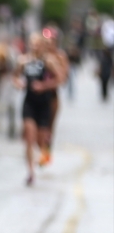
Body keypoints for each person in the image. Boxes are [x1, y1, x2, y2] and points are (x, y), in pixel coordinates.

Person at [13, 33, 61, 186]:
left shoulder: (48, 61)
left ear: (42, 45)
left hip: (44, 103)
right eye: (32, 44)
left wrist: (44, 86)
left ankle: (45, 151)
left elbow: (59, 78)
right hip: (29, 103)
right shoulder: (23, 61)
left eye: (37, 44)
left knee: (40, 139)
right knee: (29, 136)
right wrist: (18, 84)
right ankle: (30, 172)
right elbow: (15, 77)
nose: (34, 47)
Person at [42, 26, 69, 165]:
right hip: (37, 97)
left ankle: (46, 153)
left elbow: (63, 78)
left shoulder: (60, 56)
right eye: (46, 41)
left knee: (49, 126)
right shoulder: (39, 55)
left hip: (52, 96)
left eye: (51, 41)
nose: (48, 44)